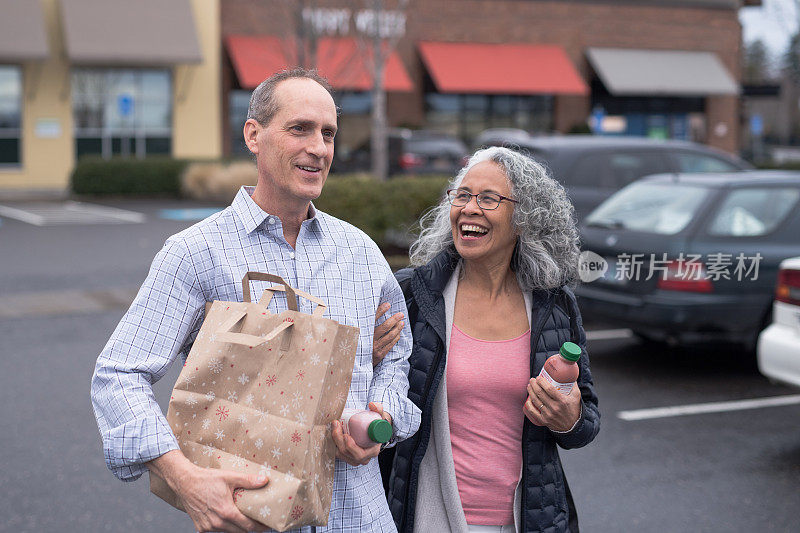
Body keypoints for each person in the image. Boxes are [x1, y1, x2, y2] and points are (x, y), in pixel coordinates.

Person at [90, 68, 420, 533]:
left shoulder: (360, 254)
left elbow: (398, 356)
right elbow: (118, 376)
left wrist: (381, 413)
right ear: (254, 135)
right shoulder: (197, 253)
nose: (319, 148)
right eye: (299, 128)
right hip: (248, 518)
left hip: (359, 516)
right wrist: (184, 478)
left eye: (328, 133)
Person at [375, 146, 600, 532]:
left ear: (524, 218)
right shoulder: (413, 295)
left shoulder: (554, 304)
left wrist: (569, 419)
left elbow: (585, 422)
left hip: (526, 520)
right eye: (462, 195)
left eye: (489, 198)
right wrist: (369, 360)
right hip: (426, 516)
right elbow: (368, 399)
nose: (469, 208)